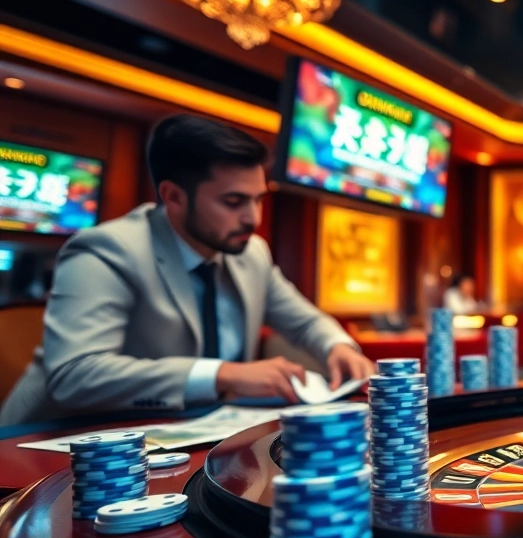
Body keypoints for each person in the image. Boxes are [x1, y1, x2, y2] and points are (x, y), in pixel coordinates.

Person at [0, 114, 376, 426]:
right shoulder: (107, 249)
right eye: (233, 201)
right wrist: (223, 374)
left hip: (177, 437)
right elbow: (76, 376)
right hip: (47, 449)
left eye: (259, 200)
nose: (253, 218)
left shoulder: (250, 253)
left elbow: (305, 322)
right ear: (173, 197)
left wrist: (338, 346)